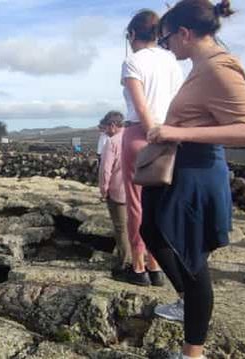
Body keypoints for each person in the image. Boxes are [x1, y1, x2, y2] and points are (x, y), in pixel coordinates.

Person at [141, 1, 245, 358]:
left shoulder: (219, 67)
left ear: (184, 33)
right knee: (151, 230)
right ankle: (185, 301)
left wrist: (176, 132)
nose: (166, 48)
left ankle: (192, 353)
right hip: (184, 167)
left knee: (191, 258)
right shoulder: (200, 67)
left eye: (166, 41)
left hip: (198, 171)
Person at [119, 9, 184, 286]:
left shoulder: (133, 61)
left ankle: (137, 267)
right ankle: (157, 266)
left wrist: (150, 134)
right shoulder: (173, 62)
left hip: (140, 133)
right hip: (170, 134)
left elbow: (141, 105)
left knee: (136, 205)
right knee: (161, 205)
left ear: (133, 34)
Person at [97, 111, 132, 278]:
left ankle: (125, 263)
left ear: (112, 125)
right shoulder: (133, 138)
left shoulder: (112, 142)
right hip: (137, 189)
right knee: (137, 226)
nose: (104, 131)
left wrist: (104, 190)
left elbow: (105, 170)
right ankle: (142, 261)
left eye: (105, 127)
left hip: (118, 191)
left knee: (121, 228)